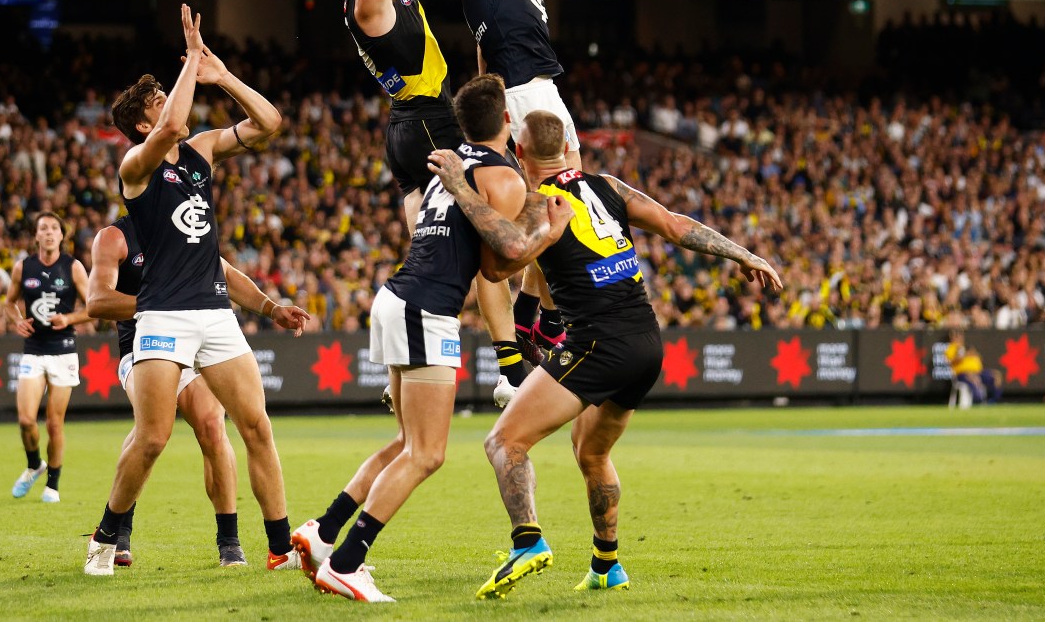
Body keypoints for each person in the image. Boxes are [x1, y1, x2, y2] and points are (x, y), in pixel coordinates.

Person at [428, 109, 783, 598]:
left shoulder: (540, 203)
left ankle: (527, 542)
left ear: (521, 153)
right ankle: (607, 565)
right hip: (646, 342)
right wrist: (744, 253)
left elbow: (500, 262)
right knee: (592, 452)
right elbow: (677, 226)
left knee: (503, 443)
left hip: (597, 343)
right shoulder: (609, 186)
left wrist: (462, 190)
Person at [289, 75, 573, 602]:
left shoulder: (451, 165)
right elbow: (496, 266)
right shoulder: (503, 178)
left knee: (405, 443)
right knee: (426, 454)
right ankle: (347, 563)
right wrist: (548, 231)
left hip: (398, 297)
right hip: (426, 310)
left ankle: (323, 533)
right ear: (507, 122)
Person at [307, 0, 525, 407]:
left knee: (427, 245)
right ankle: (509, 366)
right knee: (478, 237)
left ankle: (401, 368)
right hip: (430, 121)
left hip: (405, 129)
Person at [84, 4, 296, 576]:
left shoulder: (201, 150)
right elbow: (172, 125)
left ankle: (279, 546)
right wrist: (191, 58)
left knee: (254, 426)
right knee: (152, 437)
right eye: (157, 103)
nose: (172, 104)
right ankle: (106, 535)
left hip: (215, 313)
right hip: (163, 317)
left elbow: (271, 123)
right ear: (139, 125)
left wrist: (222, 75)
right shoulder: (136, 166)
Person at [87, 214, 310, 567]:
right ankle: (115, 531)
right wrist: (164, 302)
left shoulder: (187, 227)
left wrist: (271, 308)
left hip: (196, 342)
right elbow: (96, 302)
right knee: (152, 435)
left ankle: (230, 543)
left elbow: (228, 277)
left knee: (211, 424)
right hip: (142, 345)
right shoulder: (115, 237)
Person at [461, 0, 584, 372]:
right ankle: (535, 325)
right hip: (527, 92)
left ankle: (538, 317)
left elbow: (483, 53)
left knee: (565, 198)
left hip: (535, 89)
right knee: (557, 199)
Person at [5, 210, 92, 503]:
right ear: (36, 235)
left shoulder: (73, 267)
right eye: (43, 228)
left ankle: (52, 484)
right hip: (34, 348)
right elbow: (8, 303)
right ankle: (34, 465)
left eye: (54, 227)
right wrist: (16, 319)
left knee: (54, 423)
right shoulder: (23, 267)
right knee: (26, 419)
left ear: (61, 235)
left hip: (64, 349)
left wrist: (69, 319)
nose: (49, 232)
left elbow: (94, 306)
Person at [945, 329, 1002, 405]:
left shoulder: (968, 347)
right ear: (952, 337)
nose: (958, 338)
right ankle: (978, 402)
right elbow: (951, 361)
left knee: (996, 376)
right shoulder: (951, 348)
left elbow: (979, 359)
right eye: (956, 336)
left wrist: (973, 354)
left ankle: (992, 401)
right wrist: (963, 354)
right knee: (973, 380)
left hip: (978, 372)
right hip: (963, 374)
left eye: (960, 335)